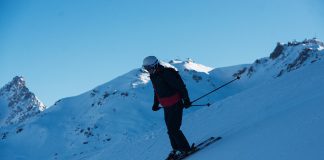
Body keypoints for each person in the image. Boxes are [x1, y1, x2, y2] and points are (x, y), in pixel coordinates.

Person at [142, 56, 192, 159]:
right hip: (167, 106)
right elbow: (157, 91)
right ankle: (176, 149)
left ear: (155, 65)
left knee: (174, 129)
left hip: (175, 104)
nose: (148, 71)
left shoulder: (167, 73)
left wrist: (186, 99)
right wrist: (156, 103)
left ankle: (185, 149)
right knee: (170, 130)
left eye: (150, 68)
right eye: (146, 69)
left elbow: (180, 86)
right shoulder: (154, 76)